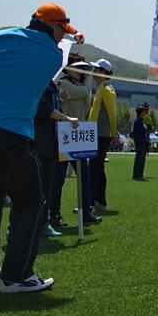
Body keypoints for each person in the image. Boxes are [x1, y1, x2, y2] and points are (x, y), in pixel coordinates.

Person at [0, 2, 80, 293]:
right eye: (61, 31)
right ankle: (16, 276)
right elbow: (55, 59)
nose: (60, 37)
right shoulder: (53, 55)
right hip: (9, 132)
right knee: (30, 200)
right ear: (53, 27)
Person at [52, 54, 101, 226]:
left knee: (84, 175)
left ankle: (86, 210)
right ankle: (54, 213)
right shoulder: (63, 82)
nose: (82, 71)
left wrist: (86, 81)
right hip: (64, 133)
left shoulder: (81, 85)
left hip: (79, 134)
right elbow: (82, 93)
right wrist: (88, 80)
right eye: (78, 67)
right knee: (58, 178)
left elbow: (87, 102)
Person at [34, 82, 81, 236]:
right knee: (33, 188)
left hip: (50, 143)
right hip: (37, 142)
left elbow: (52, 107)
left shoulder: (51, 85)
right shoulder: (37, 81)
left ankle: (42, 223)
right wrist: (67, 118)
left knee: (46, 187)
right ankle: (17, 228)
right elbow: (43, 110)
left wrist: (61, 99)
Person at [88, 58, 116, 212]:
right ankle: (97, 201)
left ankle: (95, 202)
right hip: (95, 133)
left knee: (95, 168)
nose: (94, 72)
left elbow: (112, 113)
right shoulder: (100, 87)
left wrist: (113, 133)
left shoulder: (106, 89)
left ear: (104, 72)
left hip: (101, 134)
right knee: (96, 168)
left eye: (97, 69)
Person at [130, 106, 148, 181]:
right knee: (139, 159)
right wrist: (146, 129)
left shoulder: (140, 121)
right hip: (139, 142)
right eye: (143, 111)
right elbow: (141, 131)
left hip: (142, 142)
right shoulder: (138, 121)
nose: (144, 113)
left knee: (142, 159)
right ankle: (137, 175)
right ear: (141, 113)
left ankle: (140, 174)